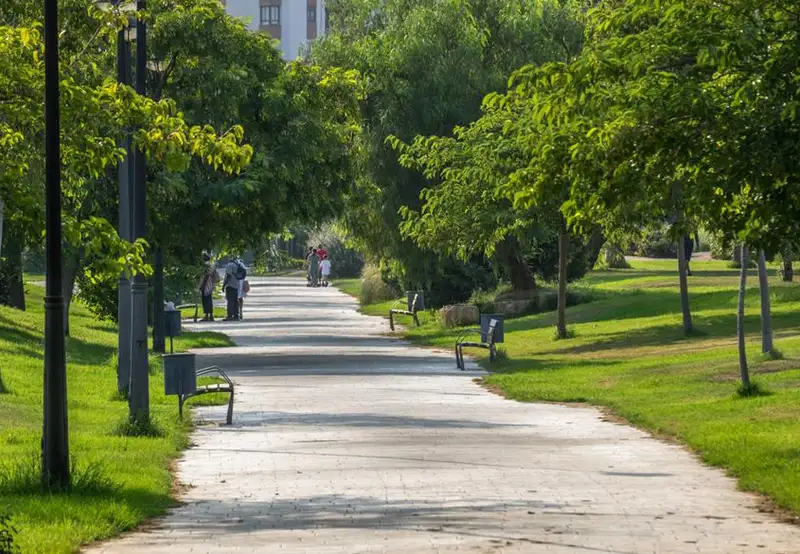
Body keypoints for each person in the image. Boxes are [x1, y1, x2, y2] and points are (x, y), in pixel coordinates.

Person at [198, 253, 220, 321]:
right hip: (210, 284)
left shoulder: (206, 265)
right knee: (209, 300)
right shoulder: (212, 264)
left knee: (206, 300)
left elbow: (205, 274)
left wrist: (201, 286)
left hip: (206, 284)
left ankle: (207, 316)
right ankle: (210, 315)